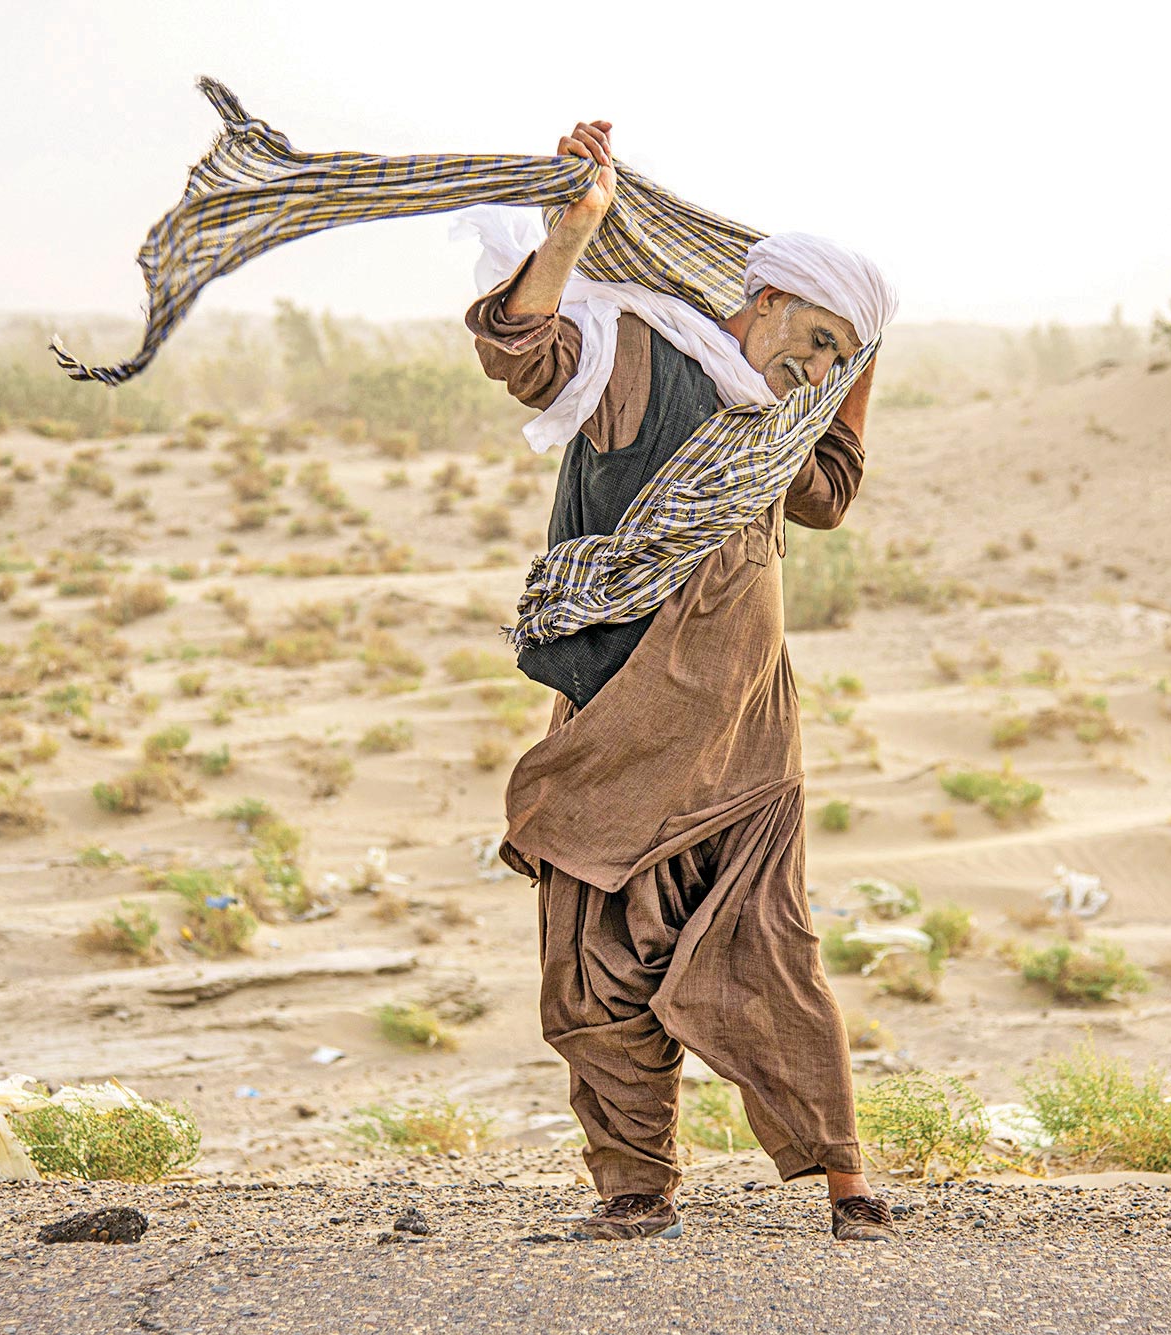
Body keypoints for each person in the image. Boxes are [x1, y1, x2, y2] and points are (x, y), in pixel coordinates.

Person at [468, 118, 898, 1244]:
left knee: (771, 951)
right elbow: (525, 350)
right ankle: (634, 1189)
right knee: (591, 963)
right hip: (624, 721)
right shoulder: (641, 355)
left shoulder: (782, 416)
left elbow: (827, 493)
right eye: (808, 339)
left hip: (749, 733)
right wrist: (571, 236)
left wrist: (849, 376)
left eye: (833, 357)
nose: (810, 369)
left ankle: (846, 1177)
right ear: (755, 299)